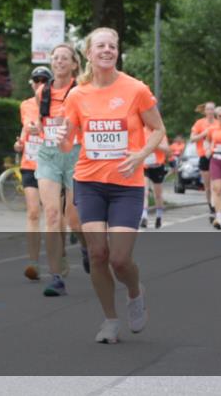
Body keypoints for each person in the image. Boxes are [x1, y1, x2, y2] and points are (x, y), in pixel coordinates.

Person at [53, 27, 166, 344]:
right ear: (88, 53)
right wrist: (62, 139)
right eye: (100, 45)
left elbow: (158, 129)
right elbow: (67, 144)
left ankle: (134, 291)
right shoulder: (77, 95)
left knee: (119, 258)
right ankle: (110, 321)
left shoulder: (136, 89)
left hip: (126, 185)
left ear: (117, 52)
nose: (107, 50)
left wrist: (141, 154)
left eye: (112, 46)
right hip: (89, 182)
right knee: (98, 253)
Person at [28, 43, 86, 297]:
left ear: (74, 64)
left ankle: (86, 248)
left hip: (75, 154)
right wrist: (36, 130)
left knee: (74, 220)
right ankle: (56, 277)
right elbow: (43, 123)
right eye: (56, 58)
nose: (59, 61)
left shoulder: (82, 90)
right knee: (51, 215)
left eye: (65, 58)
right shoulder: (43, 91)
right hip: (48, 154)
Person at [15, 66, 51, 280]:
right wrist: (20, 143)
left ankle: (59, 255)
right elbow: (25, 128)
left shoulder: (57, 104)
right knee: (33, 212)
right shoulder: (25, 105)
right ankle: (33, 262)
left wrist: (43, 131)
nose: (40, 84)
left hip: (52, 165)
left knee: (54, 214)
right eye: (36, 80)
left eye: (44, 80)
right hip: (30, 162)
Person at [191, 102, 217, 225]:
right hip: (204, 156)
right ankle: (211, 206)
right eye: (208, 109)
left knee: (215, 184)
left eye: (212, 109)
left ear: (215, 111)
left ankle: (215, 205)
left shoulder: (219, 123)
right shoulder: (199, 123)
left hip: (217, 155)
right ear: (205, 111)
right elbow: (192, 139)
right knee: (207, 187)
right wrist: (204, 133)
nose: (210, 111)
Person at [140, 126, 170, 229]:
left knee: (158, 195)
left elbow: (167, 149)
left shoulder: (160, 131)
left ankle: (159, 216)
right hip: (145, 166)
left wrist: (155, 145)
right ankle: (144, 217)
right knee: (144, 192)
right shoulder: (142, 130)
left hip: (157, 166)